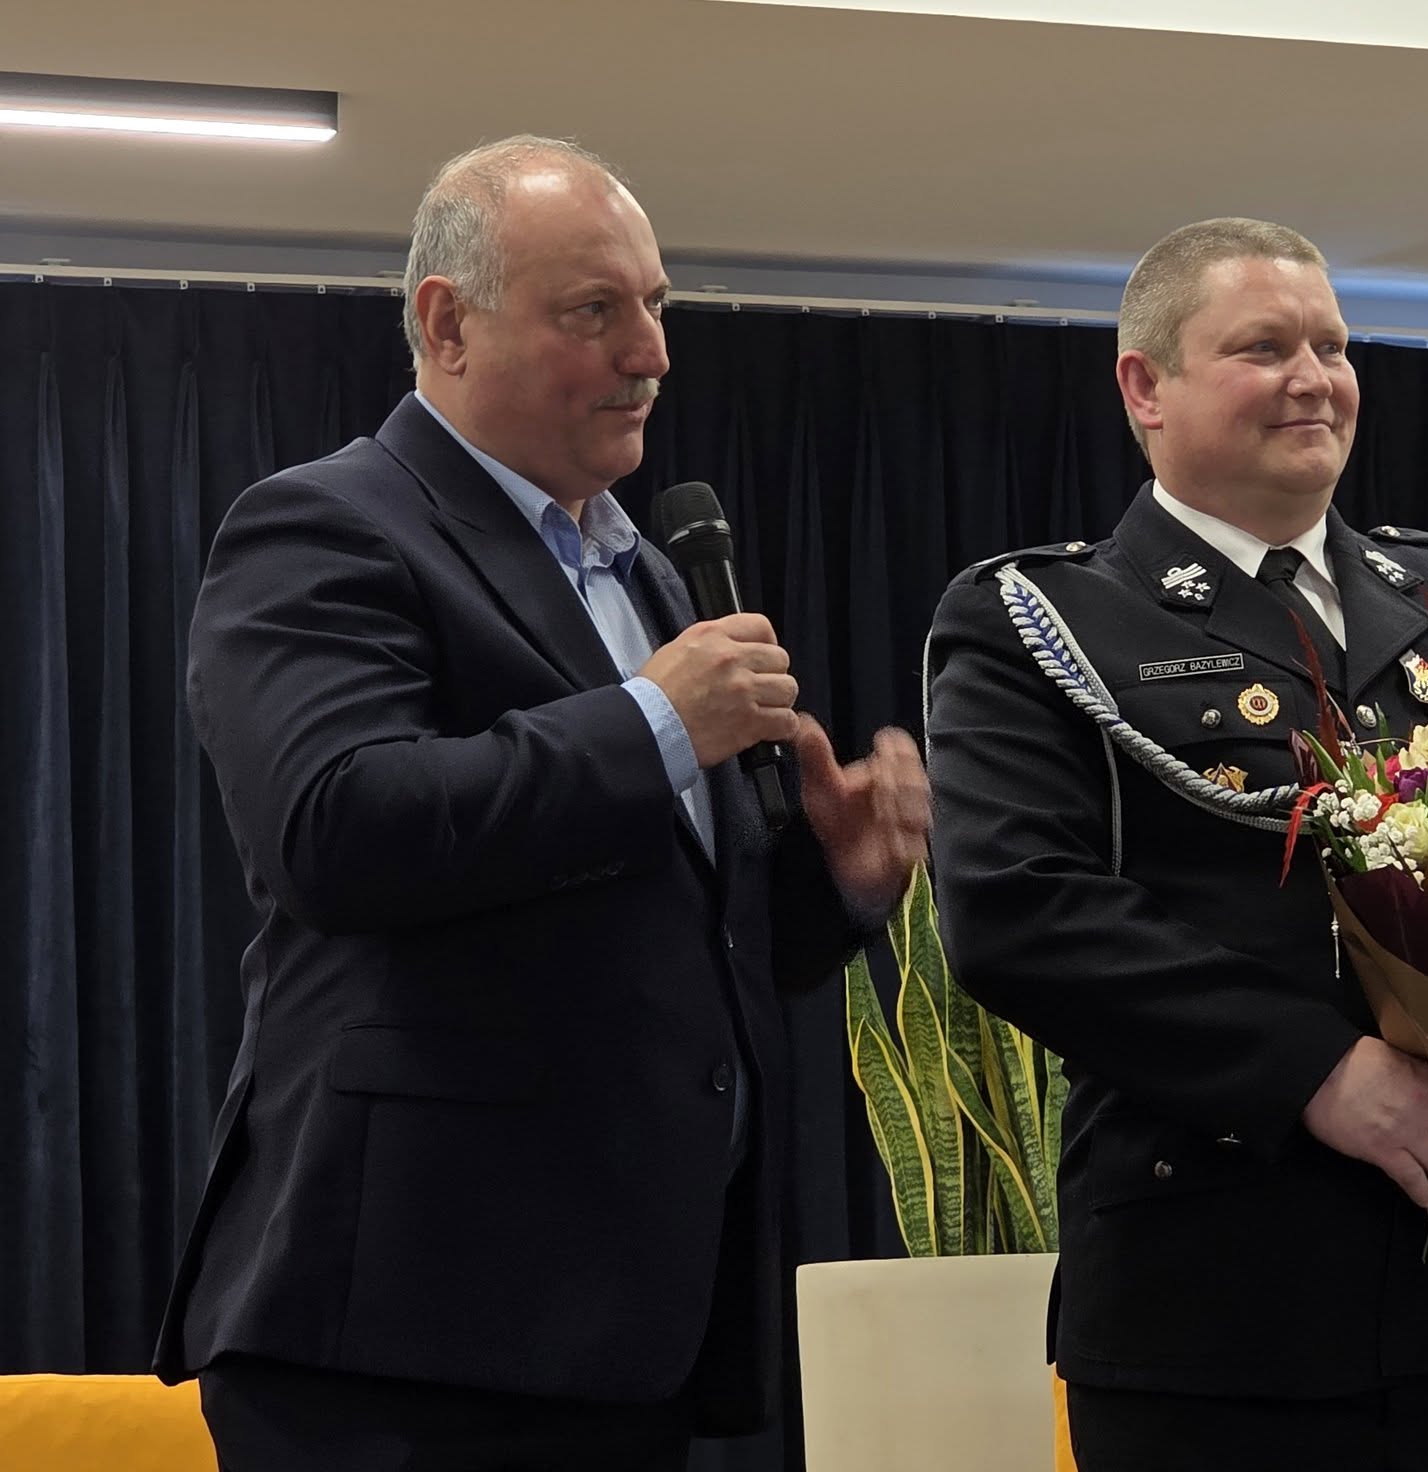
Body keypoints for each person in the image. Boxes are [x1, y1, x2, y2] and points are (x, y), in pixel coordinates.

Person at [152, 135, 931, 1470]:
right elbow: (336, 829)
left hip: (621, 1333)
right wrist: (654, 722)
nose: (652, 352)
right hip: (401, 1335)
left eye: (656, 306)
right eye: (594, 310)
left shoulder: (650, 580)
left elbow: (661, 944)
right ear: (447, 324)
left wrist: (833, 885)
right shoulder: (325, 526)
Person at [925, 218, 1428, 1472]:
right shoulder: (1042, 617)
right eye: (1262, 348)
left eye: (1331, 347)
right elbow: (1017, 910)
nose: (1313, 379)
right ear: (1145, 387)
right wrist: (1315, 1071)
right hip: (1209, 1308)